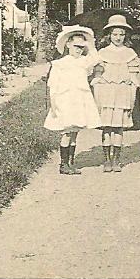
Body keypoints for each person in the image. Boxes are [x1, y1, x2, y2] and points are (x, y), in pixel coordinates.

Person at [92, 15, 140, 172]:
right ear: (109, 35)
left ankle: (116, 159)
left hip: (122, 93)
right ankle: (107, 160)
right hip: (107, 93)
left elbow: (133, 78)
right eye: (115, 34)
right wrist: (97, 95)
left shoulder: (129, 53)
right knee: (107, 127)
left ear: (126, 36)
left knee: (118, 127)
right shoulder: (102, 53)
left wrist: (134, 92)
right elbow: (97, 76)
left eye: (121, 34)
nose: (118, 38)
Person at [44, 25, 103, 175]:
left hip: (80, 99)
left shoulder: (83, 61)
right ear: (68, 44)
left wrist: (91, 45)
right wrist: (53, 103)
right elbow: (53, 86)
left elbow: (95, 59)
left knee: (75, 131)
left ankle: (71, 162)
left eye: (82, 47)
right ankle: (63, 164)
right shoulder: (61, 64)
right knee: (68, 132)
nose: (79, 49)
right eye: (76, 46)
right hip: (66, 100)